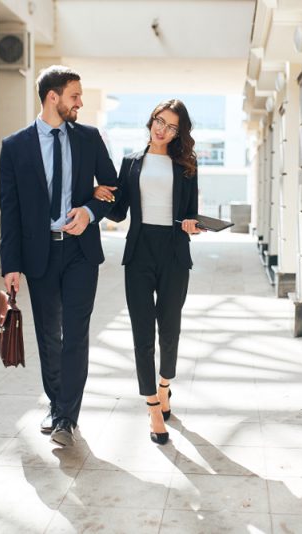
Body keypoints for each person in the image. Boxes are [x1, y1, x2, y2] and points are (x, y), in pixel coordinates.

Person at [0, 65, 117, 447]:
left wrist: (90, 211)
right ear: (53, 97)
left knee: (76, 334)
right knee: (49, 335)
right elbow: (10, 209)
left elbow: (115, 194)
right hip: (40, 253)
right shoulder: (15, 147)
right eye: (75, 96)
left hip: (81, 252)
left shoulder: (88, 138)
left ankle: (65, 415)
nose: (80, 102)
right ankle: (57, 404)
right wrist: (11, 265)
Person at [94, 99, 202, 445]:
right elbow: (119, 213)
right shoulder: (130, 163)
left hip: (173, 252)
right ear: (151, 120)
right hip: (139, 252)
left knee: (169, 329)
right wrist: (98, 193)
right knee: (142, 332)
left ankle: (165, 385)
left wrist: (192, 225)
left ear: (178, 132)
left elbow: (192, 215)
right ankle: (153, 405)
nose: (162, 129)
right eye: (159, 121)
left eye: (171, 126)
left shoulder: (187, 165)